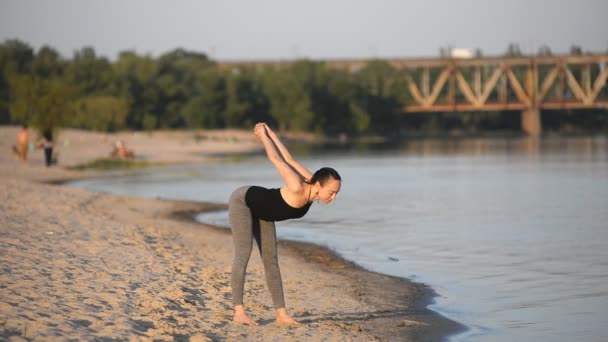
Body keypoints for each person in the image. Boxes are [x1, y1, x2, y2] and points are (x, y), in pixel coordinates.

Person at [228, 122, 342, 326]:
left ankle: (281, 314)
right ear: (319, 185)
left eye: (336, 194)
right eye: (332, 192)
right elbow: (276, 159)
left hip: (264, 212)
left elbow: (289, 158)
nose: (333, 198)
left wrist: (273, 134)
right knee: (244, 253)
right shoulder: (297, 186)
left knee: (271, 261)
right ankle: (239, 312)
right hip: (243, 200)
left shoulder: (312, 181)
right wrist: (263, 135)